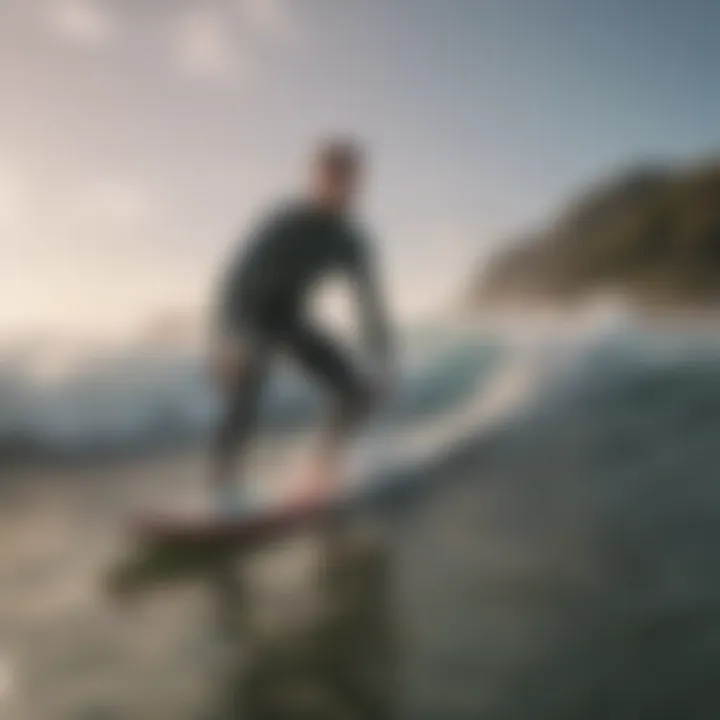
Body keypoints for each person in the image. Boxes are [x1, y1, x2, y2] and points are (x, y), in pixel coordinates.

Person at [209, 139, 393, 509]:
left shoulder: (351, 240)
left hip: (289, 317)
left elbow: (369, 306)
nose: (337, 188)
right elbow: (234, 279)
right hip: (249, 314)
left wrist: (382, 361)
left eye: (346, 180)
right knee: (248, 374)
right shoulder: (284, 223)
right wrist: (226, 340)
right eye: (328, 178)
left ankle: (321, 469)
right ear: (314, 180)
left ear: (357, 185)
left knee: (355, 391)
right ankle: (226, 489)